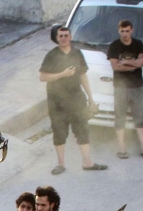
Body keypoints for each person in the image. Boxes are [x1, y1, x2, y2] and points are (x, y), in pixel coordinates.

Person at [39, 26, 107, 175]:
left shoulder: (77, 54)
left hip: (77, 99)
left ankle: (87, 162)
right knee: (59, 132)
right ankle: (60, 164)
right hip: (56, 101)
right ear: (57, 38)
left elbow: (83, 75)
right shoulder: (52, 55)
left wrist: (90, 98)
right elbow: (43, 77)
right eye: (60, 36)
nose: (63, 38)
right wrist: (62, 74)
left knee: (82, 130)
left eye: (66, 35)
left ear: (70, 37)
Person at [107, 20, 143, 160]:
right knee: (120, 116)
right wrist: (135, 64)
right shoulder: (114, 46)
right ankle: (121, 147)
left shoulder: (138, 44)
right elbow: (115, 66)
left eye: (127, 31)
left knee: (139, 117)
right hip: (120, 87)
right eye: (122, 31)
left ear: (131, 30)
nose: (125, 34)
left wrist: (125, 62)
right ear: (118, 31)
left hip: (137, 86)